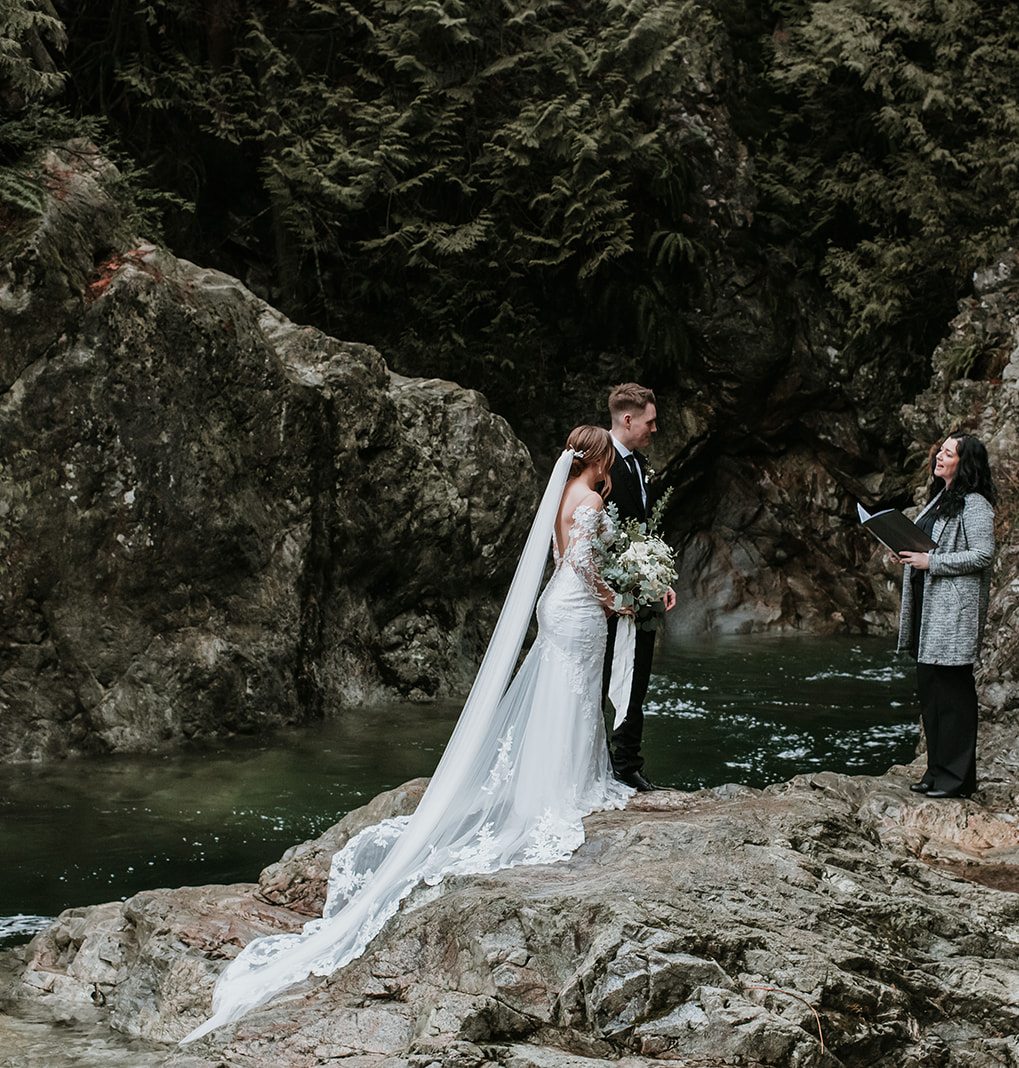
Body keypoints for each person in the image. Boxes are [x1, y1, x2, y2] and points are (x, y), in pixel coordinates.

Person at [182, 426, 633, 1043]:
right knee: (573, 694)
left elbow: (564, 560)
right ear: (600, 458)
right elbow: (583, 565)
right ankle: (570, 787)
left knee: (565, 694)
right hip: (579, 605)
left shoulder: (562, 498)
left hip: (556, 604)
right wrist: (617, 598)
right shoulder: (593, 501)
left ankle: (566, 781)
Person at [895, 432, 995, 799]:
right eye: (940, 449)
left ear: (964, 463)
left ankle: (957, 780)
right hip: (929, 608)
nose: (938, 455)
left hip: (953, 614)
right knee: (931, 695)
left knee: (953, 697)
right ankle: (935, 772)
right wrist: (906, 554)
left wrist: (930, 562)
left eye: (948, 453)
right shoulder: (940, 499)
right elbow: (925, 546)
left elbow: (983, 555)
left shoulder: (975, 504)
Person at [600, 383, 676, 792]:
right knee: (603, 678)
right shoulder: (598, 463)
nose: (654, 428)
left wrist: (658, 577)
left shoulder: (640, 463)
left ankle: (627, 763)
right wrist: (610, 591)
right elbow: (587, 530)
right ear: (627, 420)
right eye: (650, 421)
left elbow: (646, 531)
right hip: (607, 600)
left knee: (638, 675)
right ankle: (602, 762)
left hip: (642, 594)